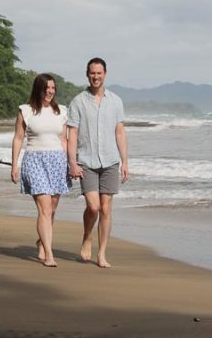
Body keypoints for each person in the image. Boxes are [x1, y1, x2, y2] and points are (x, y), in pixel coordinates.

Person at [67, 58, 129, 268]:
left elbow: (119, 132)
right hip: (87, 160)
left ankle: (102, 254)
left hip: (111, 160)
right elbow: (72, 134)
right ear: (87, 74)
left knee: (106, 208)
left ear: (105, 74)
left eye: (99, 73)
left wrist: (125, 161)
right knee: (93, 207)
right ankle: (87, 236)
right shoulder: (78, 102)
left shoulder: (116, 101)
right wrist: (72, 163)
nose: (96, 77)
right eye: (92, 73)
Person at [10, 73, 71, 267]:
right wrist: (14, 165)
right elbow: (18, 138)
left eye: (53, 88)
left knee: (52, 209)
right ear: (39, 89)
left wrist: (72, 163)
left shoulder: (61, 111)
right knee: (44, 209)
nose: (50, 92)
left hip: (57, 161)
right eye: (46, 88)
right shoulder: (25, 110)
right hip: (34, 160)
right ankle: (49, 254)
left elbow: (64, 139)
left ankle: (42, 240)